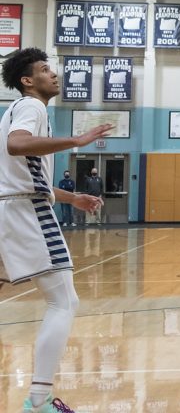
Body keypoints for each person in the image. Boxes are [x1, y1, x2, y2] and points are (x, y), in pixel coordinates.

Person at [0, 48, 111, 413]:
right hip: (25, 213)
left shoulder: (18, 111)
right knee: (63, 301)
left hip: (12, 206)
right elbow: (17, 146)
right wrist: (76, 141)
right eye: (46, 70)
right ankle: (38, 401)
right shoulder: (31, 107)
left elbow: (26, 176)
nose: (55, 74)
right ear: (27, 81)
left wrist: (71, 197)